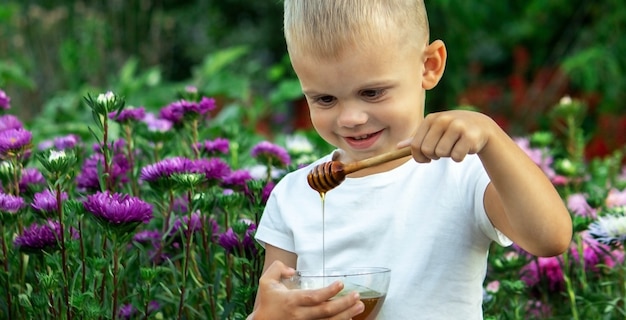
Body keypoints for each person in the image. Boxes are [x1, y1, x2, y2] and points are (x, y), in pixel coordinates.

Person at [248, 0, 573, 319]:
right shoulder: (295, 195)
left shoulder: (461, 174)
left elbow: (549, 238)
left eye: (372, 93)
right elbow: (276, 302)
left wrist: (490, 136)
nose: (350, 118)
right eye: (325, 99)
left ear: (429, 66)